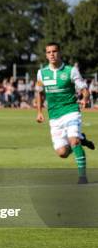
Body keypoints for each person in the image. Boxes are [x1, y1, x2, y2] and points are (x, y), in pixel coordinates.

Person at [36, 43, 94, 184]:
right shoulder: (41, 73)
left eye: (54, 51)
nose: (52, 54)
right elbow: (39, 92)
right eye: (48, 52)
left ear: (59, 53)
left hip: (71, 111)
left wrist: (85, 99)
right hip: (54, 115)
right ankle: (82, 140)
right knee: (62, 153)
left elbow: (84, 89)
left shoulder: (71, 70)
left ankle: (82, 177)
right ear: (46, 55)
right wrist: (39, 112)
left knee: (73, 140)